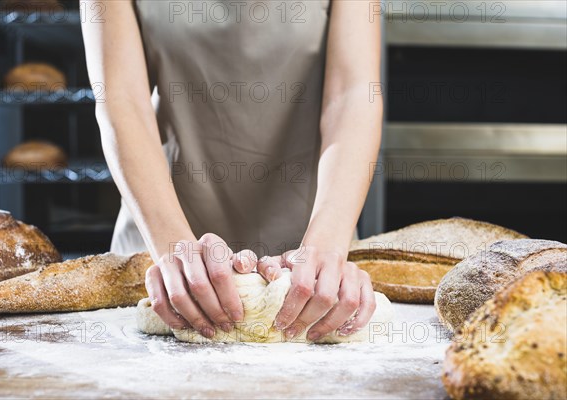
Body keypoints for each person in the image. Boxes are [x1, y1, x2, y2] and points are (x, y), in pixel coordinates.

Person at [81, 0, 383, 342]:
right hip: (161, 252)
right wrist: (172, 245)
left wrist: (327, 246)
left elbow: (352, 95)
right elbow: (121, 97)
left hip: (312, 252)